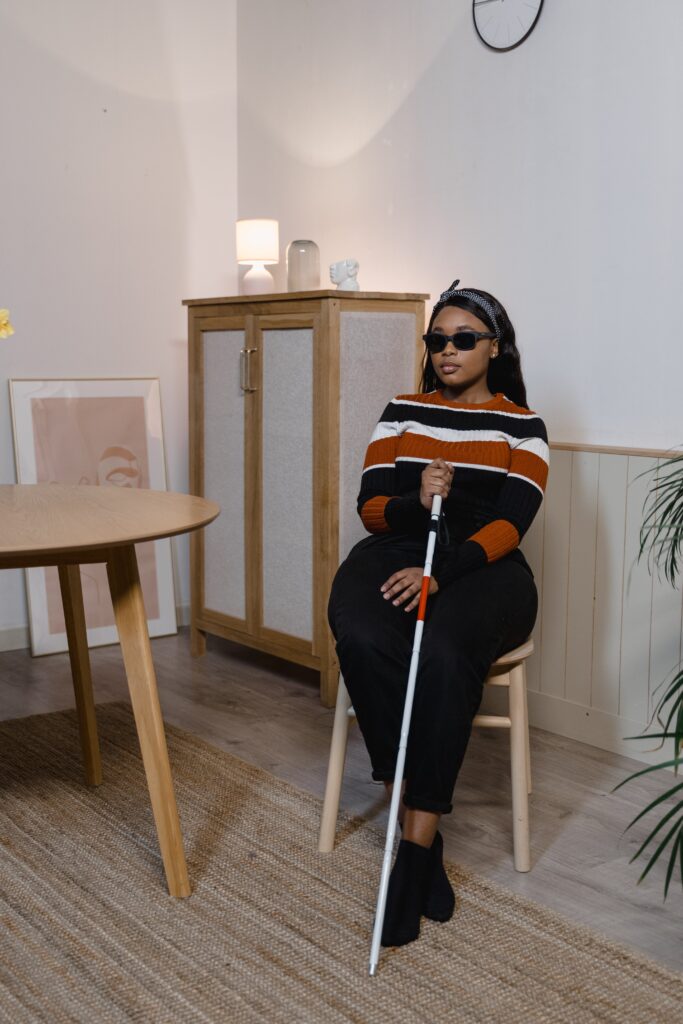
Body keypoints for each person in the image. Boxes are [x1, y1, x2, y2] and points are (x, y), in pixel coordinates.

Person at [327, 279, 549, 948]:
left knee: (448, 651)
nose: (445, 351)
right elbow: (369, 506)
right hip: (398, 544)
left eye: (461, 339)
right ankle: (421, 827)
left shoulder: (522, 425)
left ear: (495, 347)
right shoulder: (400, 409)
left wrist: (438, 574)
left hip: (484, 565)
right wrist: (417, 499)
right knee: (361, 632)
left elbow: (513, 523)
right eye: (435, 340)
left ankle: (412, 855)